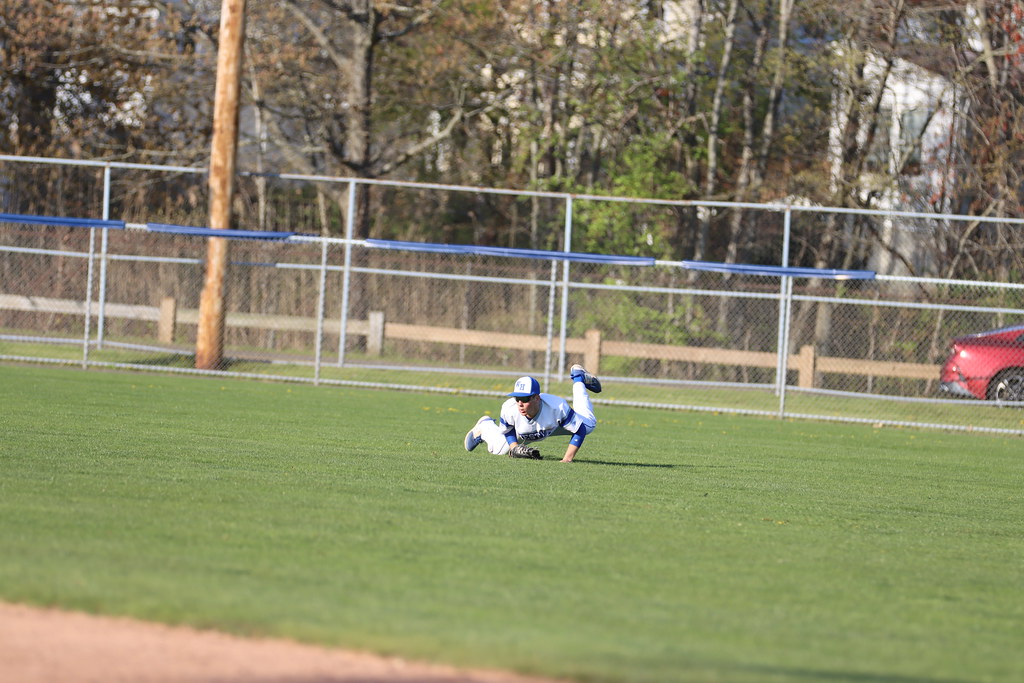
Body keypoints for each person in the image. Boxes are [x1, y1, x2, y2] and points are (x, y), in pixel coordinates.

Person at [463, 364, 601, 463]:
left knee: (588, 425)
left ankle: (578, 379)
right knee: (498, 450)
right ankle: (485, 426)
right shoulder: (509, 408)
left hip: (554, 423)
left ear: (536, 397)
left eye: (524, 399)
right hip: (523, 429)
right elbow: (509, 430)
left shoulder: (557, 406)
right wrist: (514, 448)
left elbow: (580, 430)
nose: (520, 403)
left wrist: (567, 459)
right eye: (517, 398)